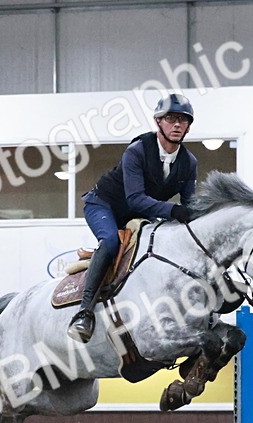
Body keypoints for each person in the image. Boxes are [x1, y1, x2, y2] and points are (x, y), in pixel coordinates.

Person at [67, 93, 199, 344]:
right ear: (158, 121)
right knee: (110, 242)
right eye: (170, 118)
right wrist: (174, 211)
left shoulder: (189, 162)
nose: (177, 124)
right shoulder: (137, 150)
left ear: (188, 127)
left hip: (139, 215)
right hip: (104, 205)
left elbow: (189, 206)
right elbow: (136, 199)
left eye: (183, 120)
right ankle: (84, 313)